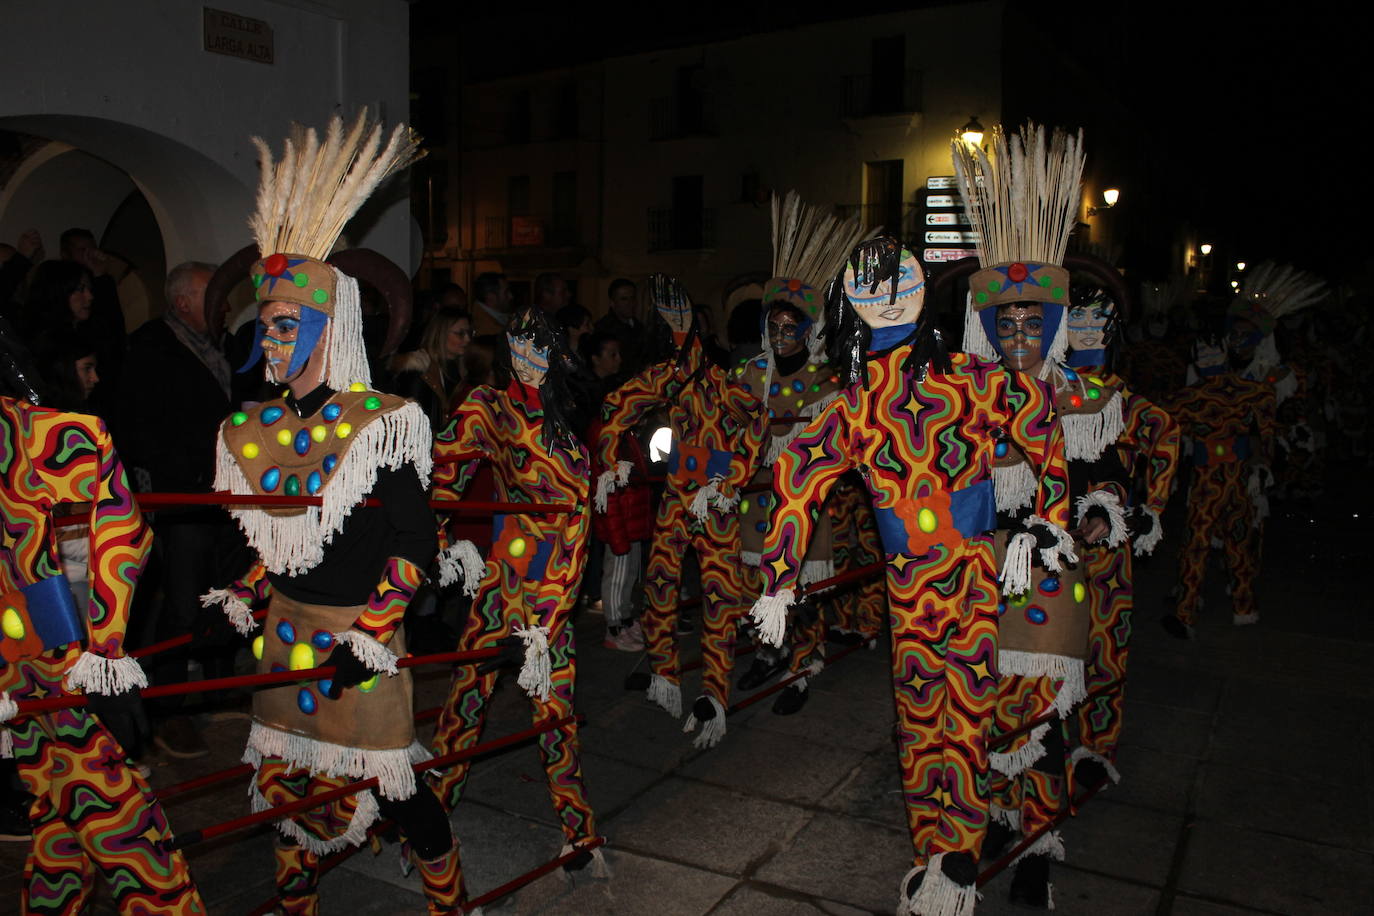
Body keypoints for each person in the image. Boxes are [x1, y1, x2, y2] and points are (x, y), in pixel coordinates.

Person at [747, 237, 1071, 916]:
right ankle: (941, 851)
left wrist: (1051, 515)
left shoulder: (971, 379)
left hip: (985, 575)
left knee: (982, 711)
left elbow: (1040, 418)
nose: (884, 295)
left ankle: (979, 844)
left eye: (895, 282)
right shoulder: (854, 403)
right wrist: (778, 576)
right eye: (868, 285)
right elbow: (796, 475)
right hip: (910, 591)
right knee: (922, 719)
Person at [197, 112, 462, 915]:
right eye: (265, 326)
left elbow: (417, 542)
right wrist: (243, 591)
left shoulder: (381, 421)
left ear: (327, 325)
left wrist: (374, 634)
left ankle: (453, 902)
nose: (270, 340)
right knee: (283, 795)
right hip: (284, 636)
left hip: (358, 640)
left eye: (286, 325)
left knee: (401, 788)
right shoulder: (250, 426)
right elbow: (275, 530)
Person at [0, 325, 206, 912]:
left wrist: (101, 648)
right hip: (51, 664)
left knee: (57, 817)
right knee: (123, 830)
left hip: (45, 662)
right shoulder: (56, 433)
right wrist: (103, 648)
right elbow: (126, 533)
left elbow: (120, 532)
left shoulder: (45, 434)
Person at [429, 305, 606, 892]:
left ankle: (578, 831)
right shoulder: (488, 405)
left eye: (542, 348)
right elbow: (443, 475)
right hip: (505, 580)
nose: (531, 359)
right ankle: (432, 819)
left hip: (555, 589)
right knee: (467, 699)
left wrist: (546, 623)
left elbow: (577, 518)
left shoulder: (564, 409)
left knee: (555, 714)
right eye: (520, 347)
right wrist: (446, 544)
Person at [597, 274, 766, 748]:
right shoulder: (666, 375)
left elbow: (758, 421)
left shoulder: (717, 379)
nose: (674, 324)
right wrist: (614, 459)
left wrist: (729, 479)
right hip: (676, 498)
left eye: (680, 315)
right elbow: (616, 406)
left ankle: (714, 693)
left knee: (719, 595)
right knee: (659, 584)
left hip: (713, 503)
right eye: (666, 315)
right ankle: (665, 674)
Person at [731, 190, 865, 714]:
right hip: (756, 502)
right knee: (759, 585)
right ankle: (771, 652)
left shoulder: (824, 381)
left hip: (805, 508)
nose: (782, 336)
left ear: (809, 332)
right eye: (775, 327)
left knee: (803, 591)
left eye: (793, 329)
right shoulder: (748, 375)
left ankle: (804, 669)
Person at [1061, 283, 1180, 789]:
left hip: (1108, 547)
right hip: (1051, 541)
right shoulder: (1044, 389)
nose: (1085, 327)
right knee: (1047, 645)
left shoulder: (1127, 401)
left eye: (1096, 319)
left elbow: (1168, 434)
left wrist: (1148, 506)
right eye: (1077, 318)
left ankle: (1096, 745)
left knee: (1104, 648)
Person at [1160, 329, 1277, 637]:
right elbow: (1267, 429)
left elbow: (1159, 421)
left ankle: (1186, 613)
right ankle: (1243, 606)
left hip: (1212, 481)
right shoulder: (1250, 391)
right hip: (1233, 475)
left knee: (1198, 543)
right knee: (1236, 542)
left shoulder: (1189, 397)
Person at [390, 307, 472, 429]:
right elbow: (413, 421)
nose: (468, 339)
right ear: (441, 334)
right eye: (460, 333)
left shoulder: (462, 368)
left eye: (470, 333)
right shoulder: (420, 370)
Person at [595, 278, 647, 375]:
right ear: (612, 303)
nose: (630, 303)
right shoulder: (603, 329)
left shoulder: (639, 326)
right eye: (624, 299)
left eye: (633, 298)